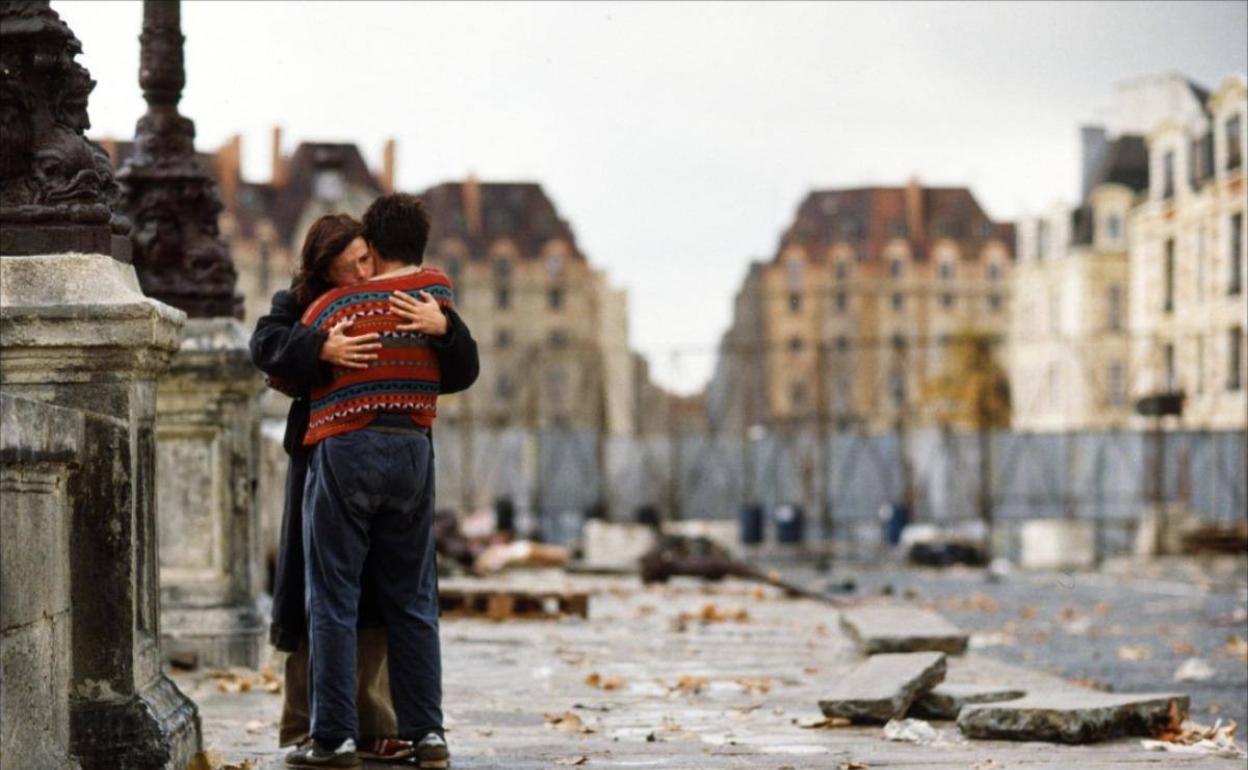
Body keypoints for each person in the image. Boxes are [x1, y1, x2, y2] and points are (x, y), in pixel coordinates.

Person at [249, 211, 477, 767]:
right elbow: (266, 345)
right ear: (324, 267)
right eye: (351, 265)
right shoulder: (304, 305)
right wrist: (319, 348)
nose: (363, 272)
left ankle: (352, 734)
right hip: (336, 458)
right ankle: (389, 732)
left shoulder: (413, 302)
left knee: (350, 599)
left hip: (350, 454)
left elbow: (461, 367)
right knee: (367, 599)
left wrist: (445, 329)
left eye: (366, 259)